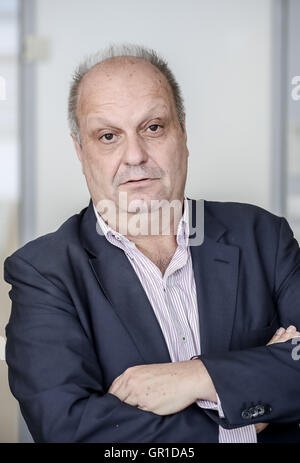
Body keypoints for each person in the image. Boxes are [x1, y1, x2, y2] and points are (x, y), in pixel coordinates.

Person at [3, 44, 300, 443]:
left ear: (183, 133)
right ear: (80, 150)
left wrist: (198, 377)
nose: (135, 155)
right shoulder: (44, 272)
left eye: (153, 127)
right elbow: (69, 429)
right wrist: (243, 421)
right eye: (108, 136)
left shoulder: (263, 236)